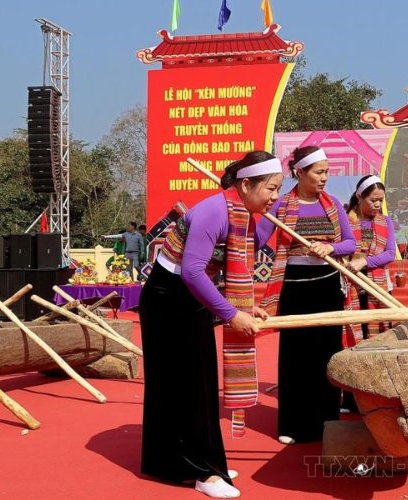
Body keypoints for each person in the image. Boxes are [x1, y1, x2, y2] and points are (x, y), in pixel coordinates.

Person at [139, 151, 282, 498]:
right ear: (245, 186)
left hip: (188, 297)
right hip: (167, 299)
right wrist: (233, 314)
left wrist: (243, 307)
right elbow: (191, 271)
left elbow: (245, 252)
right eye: (271, 189)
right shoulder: (214, 211)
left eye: (278, 189)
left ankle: (204, 460)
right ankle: (200, 470)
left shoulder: (242, 213)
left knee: (200, 385)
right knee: (182, 387)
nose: (275, 197)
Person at [256, 146, 356, 445]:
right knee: (295, 355)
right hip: (294, 285)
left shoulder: (333, 204)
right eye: (319, 172)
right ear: (300, 173)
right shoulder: (281, 204)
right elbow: (257, 236)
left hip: (327, 285)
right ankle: (294, 425)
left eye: (327, 172)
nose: (325, 178)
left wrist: (330, 247)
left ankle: (327, 421)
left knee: (327, 353)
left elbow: (350, 243)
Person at [345, 174, 397, 338]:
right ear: (359, 196)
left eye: (381, 200)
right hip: (352, 284)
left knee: (381, 334)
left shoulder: (386, 221)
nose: (378, 204)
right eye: (373, 200)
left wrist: (364, 261)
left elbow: (390, 254)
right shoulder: (345, 221)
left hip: (378, 285)